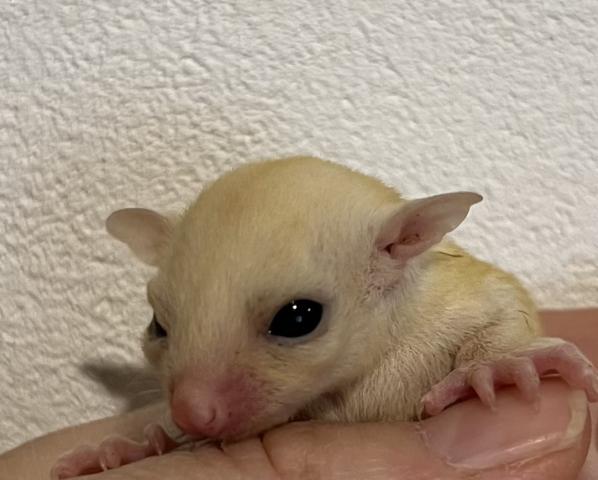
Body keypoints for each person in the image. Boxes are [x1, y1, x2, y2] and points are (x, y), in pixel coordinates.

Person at [1, 310, 596, 480]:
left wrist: (496, 354)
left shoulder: (445, 300)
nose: (190, 404)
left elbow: (494, 311)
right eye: (163, 325)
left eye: (294, 319)